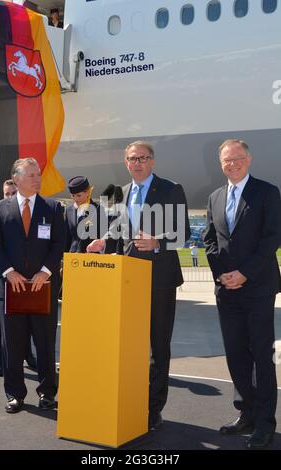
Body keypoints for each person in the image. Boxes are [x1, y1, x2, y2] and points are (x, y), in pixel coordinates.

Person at [87, 140, 190, 431]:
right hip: (128, 280)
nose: (137, 163)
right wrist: (104, 240)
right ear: (126, 163)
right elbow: (119, 228)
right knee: (129, 346)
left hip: (160, 280)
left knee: (158, 346)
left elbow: (183, 233)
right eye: (132, 158)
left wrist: (159, 242)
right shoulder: (119, 192)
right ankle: (131, 399)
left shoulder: (171, 188)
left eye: (143, 158)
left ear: (152, 161)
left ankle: (153, 407)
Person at [203, 139, 281, 449]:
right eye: (226, 160)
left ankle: (265, 421)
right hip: (227, 290)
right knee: (236, 354)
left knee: (261, 356)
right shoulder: (215, 197)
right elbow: (209, 240)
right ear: (220, 163)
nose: (232, 164)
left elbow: (272, 238)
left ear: (248, 159)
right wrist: (221, 274)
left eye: (237, 158)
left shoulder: (267, 192)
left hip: (259, 287)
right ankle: (245, 413)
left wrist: (244, 273)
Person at [0, 158, 64, 414]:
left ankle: (47, 393)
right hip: (11, 289)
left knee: (44, 342)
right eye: (31, 175)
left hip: (42, 288)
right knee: (13, 344)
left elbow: (58, 244)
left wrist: (45, 272)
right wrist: (9, 272)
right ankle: (15, 394)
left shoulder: (52, 208)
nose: (37, 178)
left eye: (38, 174)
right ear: (17, 178)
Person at [0, 179, 37, 377]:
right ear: (3, 195)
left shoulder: (28, 213)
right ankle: (3, 363)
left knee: (28, 320)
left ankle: (28, 357)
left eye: (14, 192)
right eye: (8, 193)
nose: (11, 196)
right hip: (1, 279)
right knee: (1, 324)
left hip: (24, 279)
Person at [64, 176, 106, 253]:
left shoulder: (98, 210)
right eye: (73, 195)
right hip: (72, 258)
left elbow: (103, 236)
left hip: (90, 258)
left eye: (79, 195)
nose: (76, 199)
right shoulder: (69, 210)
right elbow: (67, 238)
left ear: (87, 192)